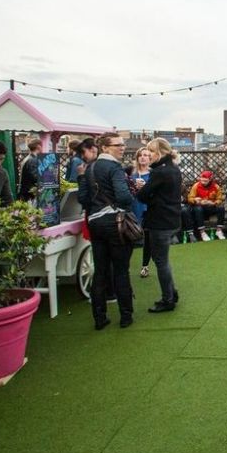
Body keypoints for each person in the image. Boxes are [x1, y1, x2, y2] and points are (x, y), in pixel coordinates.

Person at [77, 134, 135, 330]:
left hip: (95, 222)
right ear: (105, 148)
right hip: (115, 222)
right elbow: (124, 197)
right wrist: (130, 194)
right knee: (120, 270)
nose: (123, 147)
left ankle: (99, 318)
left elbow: (83, 199)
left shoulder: (89, 168)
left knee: (100, 271)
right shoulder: (114, 168)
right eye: (118, 145)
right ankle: (126, 316)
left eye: (123, 144)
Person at [136, 138, 182, 314]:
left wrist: (142, 189)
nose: (149, 156)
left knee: (161, 261)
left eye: (151, 152)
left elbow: (143, 196)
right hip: (171, 220)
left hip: (160, 221)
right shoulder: (173, 169)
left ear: (160, 153)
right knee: (162, 260)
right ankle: (171, 293)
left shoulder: (159, 173)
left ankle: (168, 298)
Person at [129, 147, 152, 277]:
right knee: (130, 237)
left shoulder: (153, 174)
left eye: (146, 155)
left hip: (148, 209)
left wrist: (146, 187)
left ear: (150, 158)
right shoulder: (131, 173)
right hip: (134, 207)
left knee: (148, 238)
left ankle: (145, 266)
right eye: (140, 155)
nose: (143, 157)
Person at [186, 170, 226, 242]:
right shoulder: (196, 186)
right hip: (200, 208)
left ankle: (219, 231)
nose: (203, 182)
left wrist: (213, 203)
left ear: (210, 180)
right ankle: (202, 232)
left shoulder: (216, 187)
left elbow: (220, 199)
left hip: (211, 207)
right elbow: (189, 198)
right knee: (198, 209)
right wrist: (195, 200)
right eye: (202, 180)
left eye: (205, 181)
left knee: (221, 208)